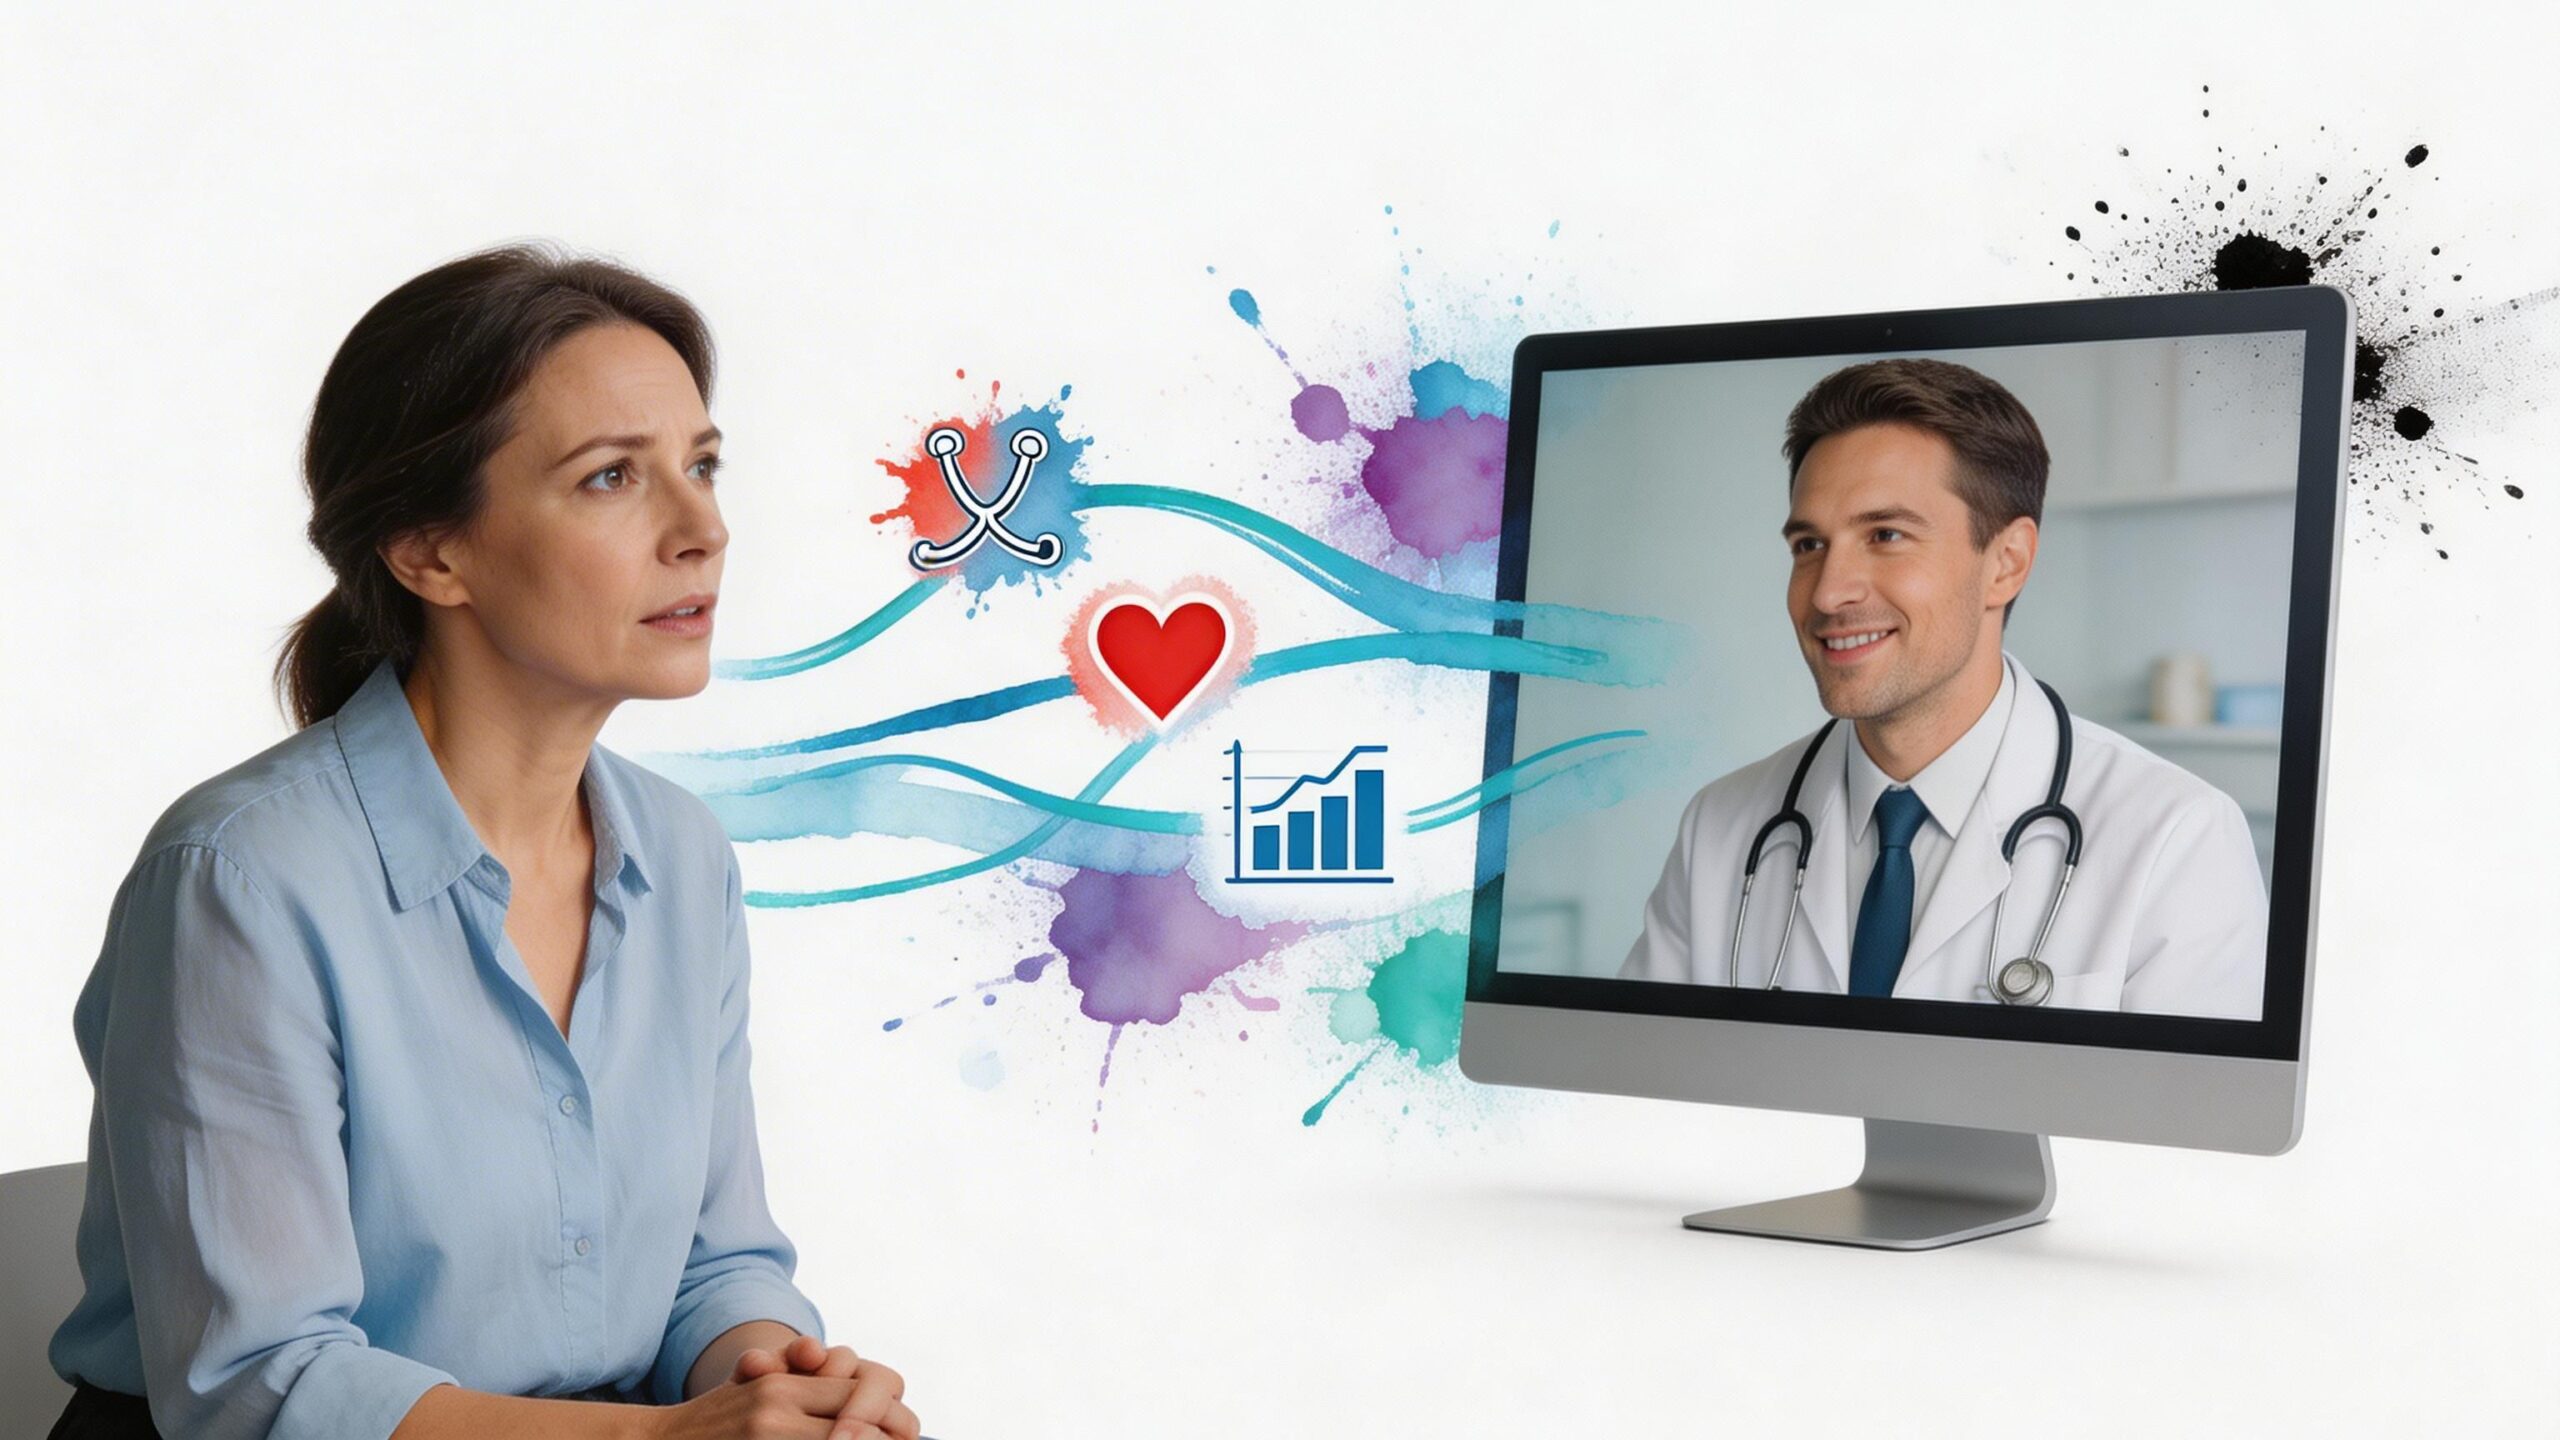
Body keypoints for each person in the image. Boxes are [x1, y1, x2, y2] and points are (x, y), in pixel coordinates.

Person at [46, 243, 923, 1440]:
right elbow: (262, 1384)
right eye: (613, 477)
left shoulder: (684, 859)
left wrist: (777, 1382)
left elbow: (713, 1265)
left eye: (700, 464)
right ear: (429, 553)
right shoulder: (242, 879)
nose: (700, 528)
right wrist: (670, 1438)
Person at [1616, 357, 2266, 1019]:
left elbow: (2177, 1123)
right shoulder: (1721, 830)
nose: (1829, 591)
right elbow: (1643, 1095)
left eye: (1886, 535)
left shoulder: (2176, 838)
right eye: (1810, 544)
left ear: (2005, 564)